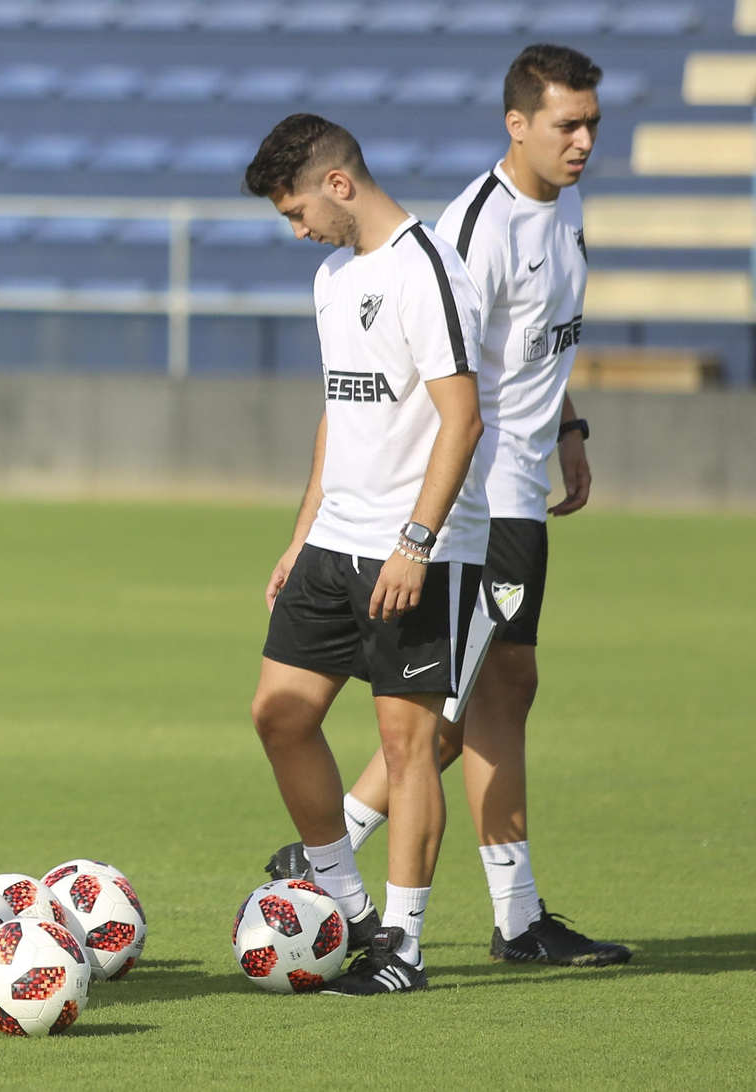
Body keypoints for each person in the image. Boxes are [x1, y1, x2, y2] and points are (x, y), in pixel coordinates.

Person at [267, 45, 631, 969]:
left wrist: (569, 426)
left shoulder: (565, 207)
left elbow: (530, 344)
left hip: (510, 490)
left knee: (488, 693)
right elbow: (444, 380)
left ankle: (489, 911)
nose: (585, 141)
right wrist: (415, 530)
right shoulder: (471, 230)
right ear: (518, 124)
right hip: (479, 498)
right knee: (462, 703)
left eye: (592, 122)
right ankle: (445, 893)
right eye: (568, 124)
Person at [243, 114, 490, 994]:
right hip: (333, 542)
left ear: (338, 184)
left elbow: (462, 419)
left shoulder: (429, 271)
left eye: (298, 212)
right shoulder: (332, 276)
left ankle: (404, 949)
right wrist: (301, 533)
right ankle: (347, 908)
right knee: (279, 715)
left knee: (407, 742)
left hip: (414, 550)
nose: (298, 230)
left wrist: (415, 542)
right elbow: (339, 411)